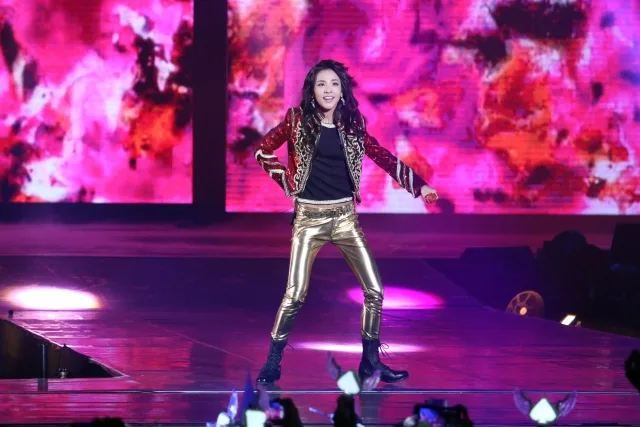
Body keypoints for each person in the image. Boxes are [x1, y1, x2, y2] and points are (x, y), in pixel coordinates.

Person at [254, 59, 438, 385]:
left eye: (334, 84)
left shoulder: (353, 124)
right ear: (312, 90)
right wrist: (286, 180)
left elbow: (382, 156)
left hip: (345, 219)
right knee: (295, 294)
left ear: (342, 90)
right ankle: (273, 360)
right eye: (321, 84)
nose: (328, 90)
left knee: (375, 291)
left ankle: (370, 363)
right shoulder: (296, 121)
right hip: (309, 219)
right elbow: (263, 151)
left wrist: (419, 186)